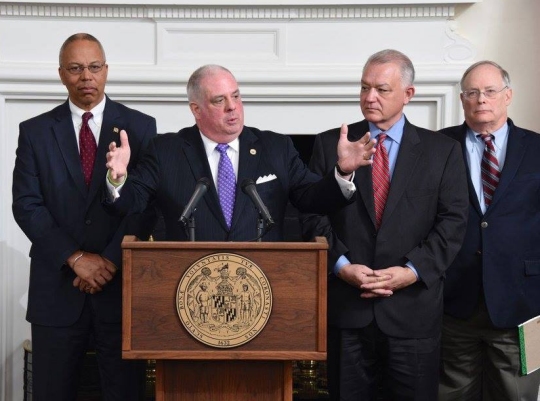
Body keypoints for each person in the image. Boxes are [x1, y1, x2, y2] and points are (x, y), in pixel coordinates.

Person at [300, 49, 469, 400]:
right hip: (348, 309)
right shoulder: (331, 144)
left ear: (408, 94)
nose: (369, 97)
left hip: (413, 313)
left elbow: (453, 223)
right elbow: (311, 214)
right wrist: (342, 265)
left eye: (381, 89)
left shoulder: (443, 151)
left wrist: (412, 270)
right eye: (364, 88)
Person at [12, 33, 157, 401]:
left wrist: (107, 260)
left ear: (106, 70)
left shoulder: (140, 127)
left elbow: (146, 205)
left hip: (120, 289)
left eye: (94, 67)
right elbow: (26, 205)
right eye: (75, 69)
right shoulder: (35, 132)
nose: (86, 77)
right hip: (57, 290)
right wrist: (76, 259)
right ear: (61, 74)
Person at [103, 64, 377, 242]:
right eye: (219, 100)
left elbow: (312, 198)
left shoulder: (276, 148)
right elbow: (131, 204)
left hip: (262, 286)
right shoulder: (165, 151)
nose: (232, 107)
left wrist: (341, 172)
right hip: (188, 287)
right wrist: (117, 179)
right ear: (196, 109)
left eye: (236, 96)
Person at [438, 61, 540, 401]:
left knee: (518, 395)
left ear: (508, 95)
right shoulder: (436, 147)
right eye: (472, 92)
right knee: (450, 393)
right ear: (462, 99)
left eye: (490, 91)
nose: (481, 99)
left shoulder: (537, 149)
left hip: (523, 301)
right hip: (453, 300)